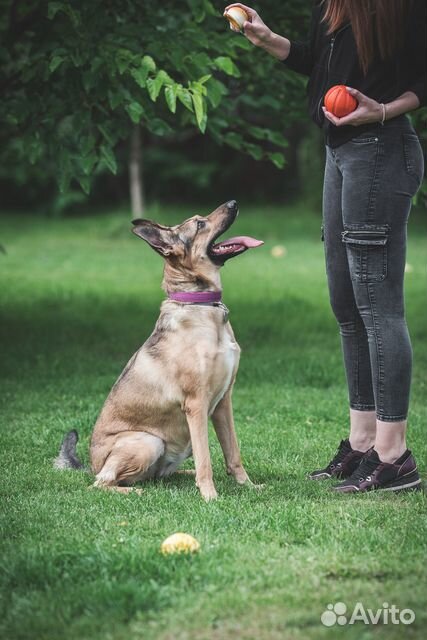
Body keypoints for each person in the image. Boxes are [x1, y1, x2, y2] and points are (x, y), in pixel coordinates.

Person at [224, 1, 426, 492]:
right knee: (346, 303)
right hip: (340, 156)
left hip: (380, 149)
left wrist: (381, 109)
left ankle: (394, 454)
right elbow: (318, 61)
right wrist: (269, 39)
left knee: (379, 307)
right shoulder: (333, 5)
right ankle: (362, 444)